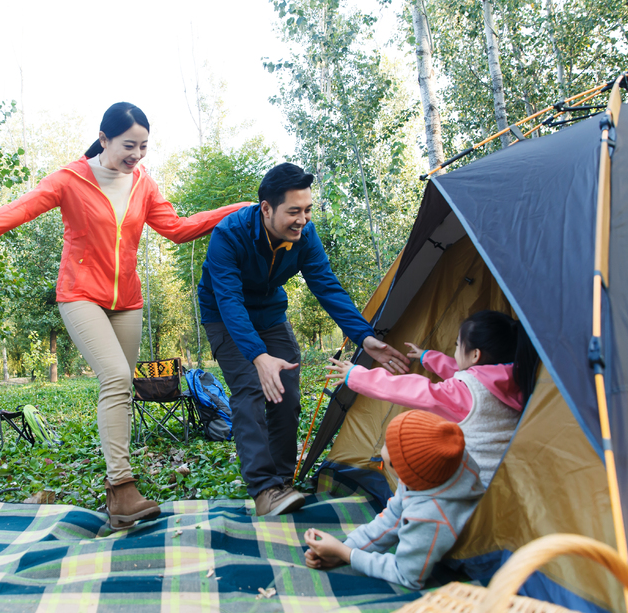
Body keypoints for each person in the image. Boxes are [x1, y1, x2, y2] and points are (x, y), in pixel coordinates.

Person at [0, 102, 247, 530]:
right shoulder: (69, 180)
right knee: (117, 376)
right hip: (80, 295)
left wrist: (240, 208)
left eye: (143, 146)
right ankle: (122, 485)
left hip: (128, 301)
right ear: (104, 140)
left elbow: (177, 228)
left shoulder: (143, 185)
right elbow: (9, 215)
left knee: (121, 387)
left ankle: (119, 493)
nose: (136, 154)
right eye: (128, 145)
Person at [197, 162, 411, 517]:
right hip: (224, 317)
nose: (303, 219)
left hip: (270, 316)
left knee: (287, 392)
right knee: (250, 390)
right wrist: (257, 356)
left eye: (308, 210)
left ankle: (282, 481)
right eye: (293, 211)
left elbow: (326, 286)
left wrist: (365, 337)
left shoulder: (305, 237)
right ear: (266, 208)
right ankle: (264, 489)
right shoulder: (229, 236)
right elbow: (229, 301)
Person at [325, 310, 538, 487]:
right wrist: (428, 357)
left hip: (475, 486)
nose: (455, 351)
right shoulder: (518, 380)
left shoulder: (466, 393)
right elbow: (468, 374)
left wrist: (357, 375)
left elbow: (414, 391)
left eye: (457, 345)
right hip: (508, 482)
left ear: (475, 355)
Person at [303, 410, 484, 590]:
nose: (382, 447)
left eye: (386, 446)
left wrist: (347, 554)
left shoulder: (429, 515)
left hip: (477, 564)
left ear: (402, 471)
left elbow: (407, 575)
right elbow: (392, 518)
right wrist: (342, 550)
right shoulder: (434, 469)